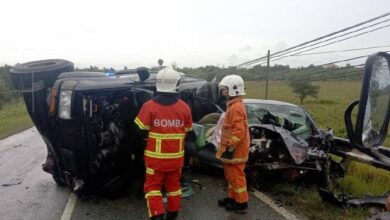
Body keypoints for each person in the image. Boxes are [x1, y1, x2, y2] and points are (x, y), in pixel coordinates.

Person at [134, 67, 192, 220]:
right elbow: (188, 131)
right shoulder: (185, 107)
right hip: (176, 160)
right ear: (177, 84)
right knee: (174, 187)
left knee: (153, 188)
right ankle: (172, 215)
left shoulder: (149, 106)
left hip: (155, 160)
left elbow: (140, 130)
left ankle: (157, 216)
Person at [215, 74, 250, 211]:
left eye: (225, 89)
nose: (223, 92)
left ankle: (241, 203)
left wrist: (230, 145)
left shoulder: (236, 107)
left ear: (233, 89)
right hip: (231, 148)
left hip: (235, 149)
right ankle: (232, 198)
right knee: (230, 176)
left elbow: (239, 131)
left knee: (237, 176)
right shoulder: (233, 106)